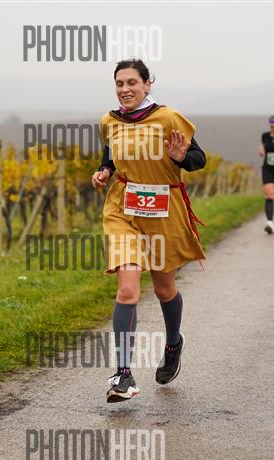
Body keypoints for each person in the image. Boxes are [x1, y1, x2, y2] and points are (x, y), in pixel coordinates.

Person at [91, 59, 206, 403]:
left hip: (162, 210)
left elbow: (198, 159)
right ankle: (123, 375)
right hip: (123, 209)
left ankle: (173, 344)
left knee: (164, 288)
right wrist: (104, 171)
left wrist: (181, 157)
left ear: (147, 84)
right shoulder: (109, 121)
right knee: (128, 289)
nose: (125, 89)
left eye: (132, 82)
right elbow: (111, 155)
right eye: (119, 83)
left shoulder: (168, 118)